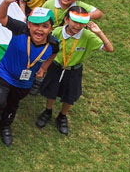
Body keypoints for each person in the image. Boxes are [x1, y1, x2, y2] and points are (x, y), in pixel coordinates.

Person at [0, 0, 59, 146]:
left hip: (24, 82)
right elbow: (0, 17)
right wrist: (6, 2)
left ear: (51, 28)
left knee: (12, 104)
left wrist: (43, 68)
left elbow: (52, 55)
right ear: (28, 24)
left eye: (44, 26)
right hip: (5, 74)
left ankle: (5, 126)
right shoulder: (20, 30)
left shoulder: (53, 44)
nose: (39, 29)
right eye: (35, 25)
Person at [36, 7, 114, 135]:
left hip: (74, 70)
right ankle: (48, 111)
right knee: (51, 90)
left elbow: (109, 48)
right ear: (66, 19)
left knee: (70, 95)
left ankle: (62, 116)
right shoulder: (57, 32)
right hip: (55, 66)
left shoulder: (88, 36)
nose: (78, 26)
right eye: (75, 21)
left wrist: (99, 32)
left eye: (82, 22)